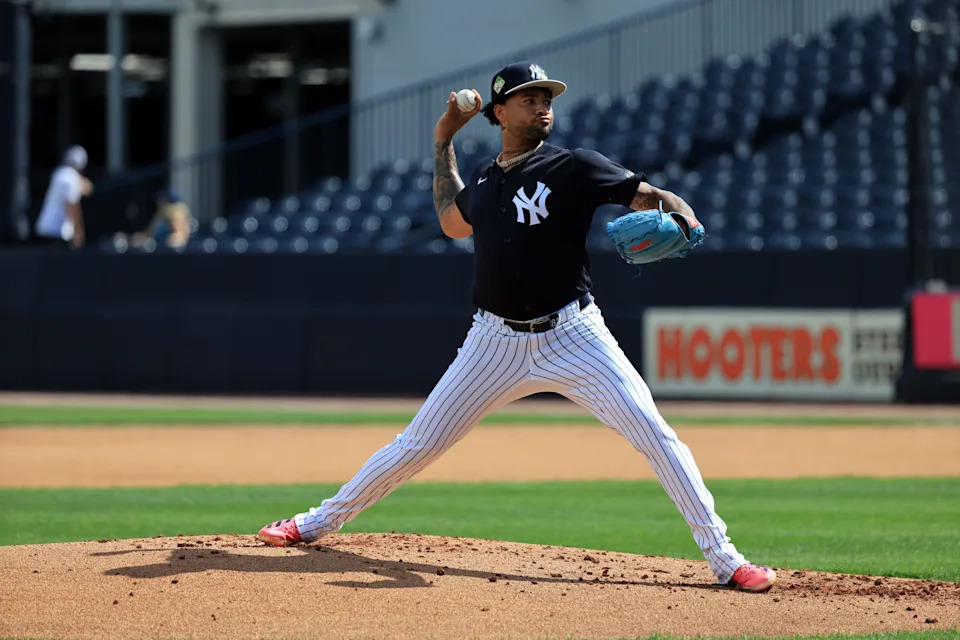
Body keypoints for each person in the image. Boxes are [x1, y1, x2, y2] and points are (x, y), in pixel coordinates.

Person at [257, 61, 777, 593]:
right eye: (529, 98)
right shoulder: (483, 182)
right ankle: (317, 522)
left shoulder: (575, 166)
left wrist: (684, 216)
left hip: (574, 334)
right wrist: (443, 140)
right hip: (492, 342)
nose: (543, 105)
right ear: (500, 112)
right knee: (417, 444)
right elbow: (450, 220)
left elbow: (650, 195)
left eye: (547, 97)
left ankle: (725, 558)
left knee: (657, 437)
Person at [34, 145, 93, 248]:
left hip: (45, 230)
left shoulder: (59, 173)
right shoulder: (70, 177)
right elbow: (72, 204)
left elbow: (85, 186)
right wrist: (78, 232)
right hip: (55, 233)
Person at [117, 187, 192, 249]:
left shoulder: (174, 213)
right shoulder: (160, 216)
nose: (158, 202)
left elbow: (179, 236)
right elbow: (147, 235)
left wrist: (169, 245)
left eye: (161, 200)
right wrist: (128, 239)